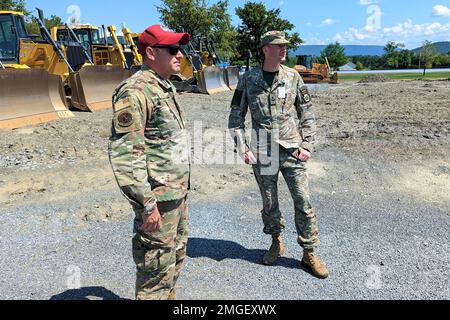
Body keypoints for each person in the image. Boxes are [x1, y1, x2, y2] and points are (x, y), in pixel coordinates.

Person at [228, 31, 329, 279]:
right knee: (270, 203)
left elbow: (307, 113)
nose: (284, 49)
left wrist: (307, 145)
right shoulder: (248, 80)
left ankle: (309, 252)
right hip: (263, 153)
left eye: (285, 45)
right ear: (265, 49)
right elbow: (235, 117)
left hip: (292, 149)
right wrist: (243, 148)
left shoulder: (293, 77)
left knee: (303, 202)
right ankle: (275, 241)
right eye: (278, 46)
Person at [108, 24, 191, 299]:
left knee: (175, 255)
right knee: (154, 272)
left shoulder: (164, 87)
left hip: (175, 194)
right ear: (152, 53)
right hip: (157, 202)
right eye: (173, 49)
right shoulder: (135, 92)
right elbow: (126, 157)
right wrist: (146, 206)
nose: (180, 55)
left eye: (180, 49)